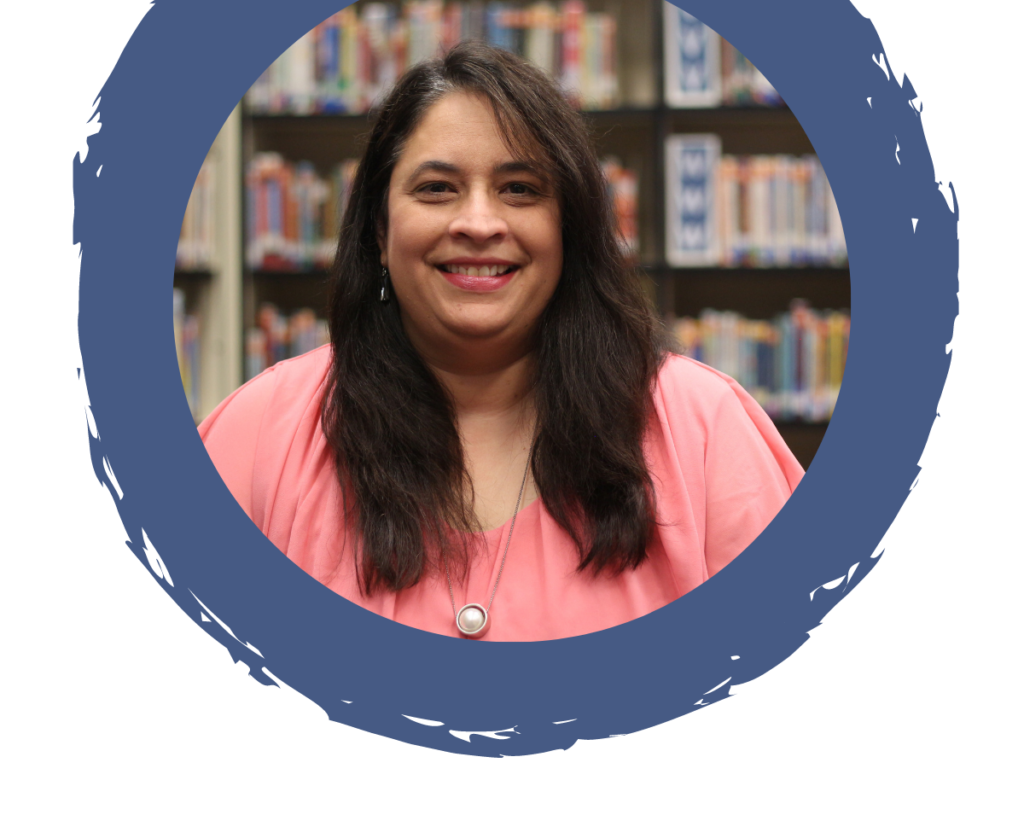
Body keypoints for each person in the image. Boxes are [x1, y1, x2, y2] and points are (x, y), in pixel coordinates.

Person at [199, 40, 803, 642]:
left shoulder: (705, 431)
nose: (479, 224)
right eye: (437, 188)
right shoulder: (259, 433)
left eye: (519, 189)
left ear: (568, 228)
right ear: (380, 232)